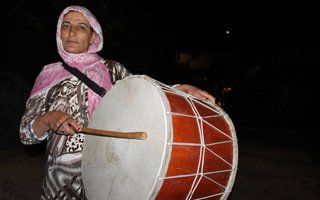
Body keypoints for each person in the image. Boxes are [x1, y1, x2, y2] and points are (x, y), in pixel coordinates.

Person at [19, 5, 215, 199]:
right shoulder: (48, 74)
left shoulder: (112, 70)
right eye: (66, 26)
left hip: (109, 174)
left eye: (81, 27)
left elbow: (143, 94)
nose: (71, 32)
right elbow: (26, 134)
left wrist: (179, 89)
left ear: (93, 38)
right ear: (59, 33)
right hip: (60, 183)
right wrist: (47, 119)